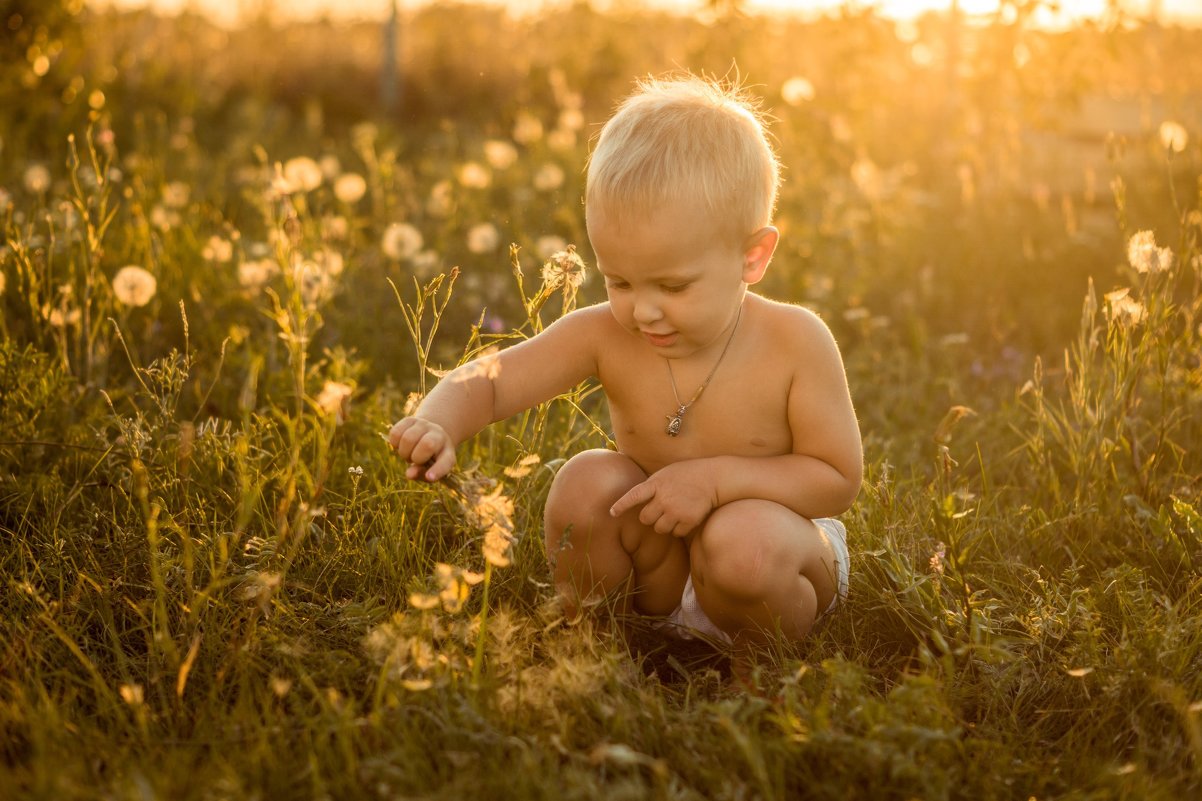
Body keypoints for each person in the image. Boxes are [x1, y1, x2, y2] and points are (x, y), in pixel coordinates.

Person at [388, 74, 862, 650]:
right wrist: (438, 419)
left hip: (770, 559)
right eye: (619, 280)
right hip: (663, 566)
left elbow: (836, 479)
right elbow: (493, 382)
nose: (644, 311)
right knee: (587, 481)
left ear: (753, 257)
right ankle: (592, 647)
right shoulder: (607, 334)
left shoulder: (794, 341)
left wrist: (715, 482)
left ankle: (760, 679)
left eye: (673, 285)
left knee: (744, 542)